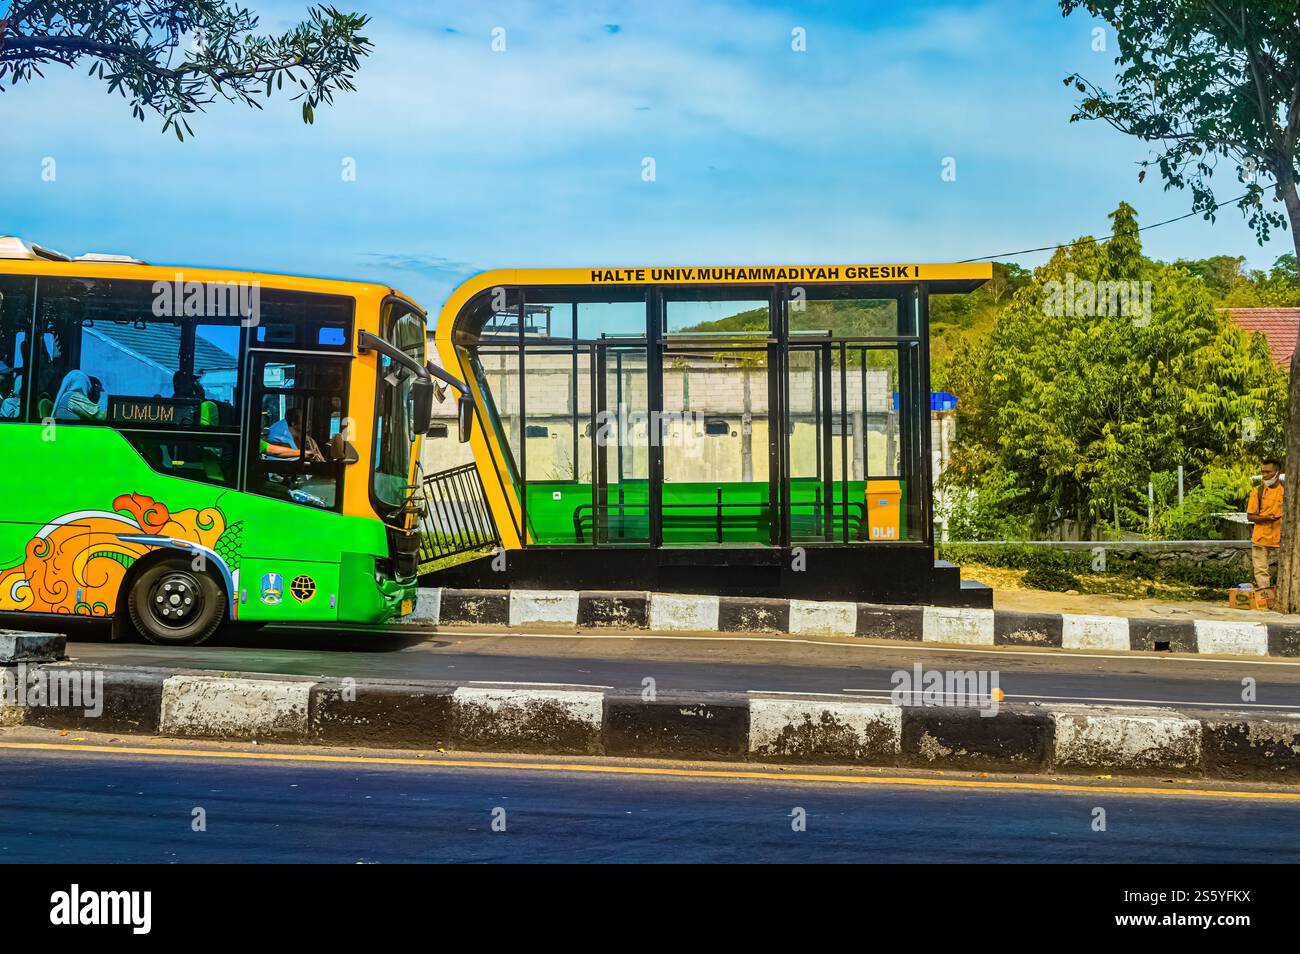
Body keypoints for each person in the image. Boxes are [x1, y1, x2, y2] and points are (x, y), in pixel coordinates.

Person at [1246, 458, 1285, 593]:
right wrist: (1265, 518)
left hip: (1282, 538)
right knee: (1261, 570)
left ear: (1277, 473)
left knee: (1286, 568)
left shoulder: (1288, 490)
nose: (1265, 476)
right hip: (1260, 537)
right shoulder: (1257, 491)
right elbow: (1250, 516)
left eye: (1268, 472)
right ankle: (1264, 596)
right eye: (1263, 472)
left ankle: (1283, 594)